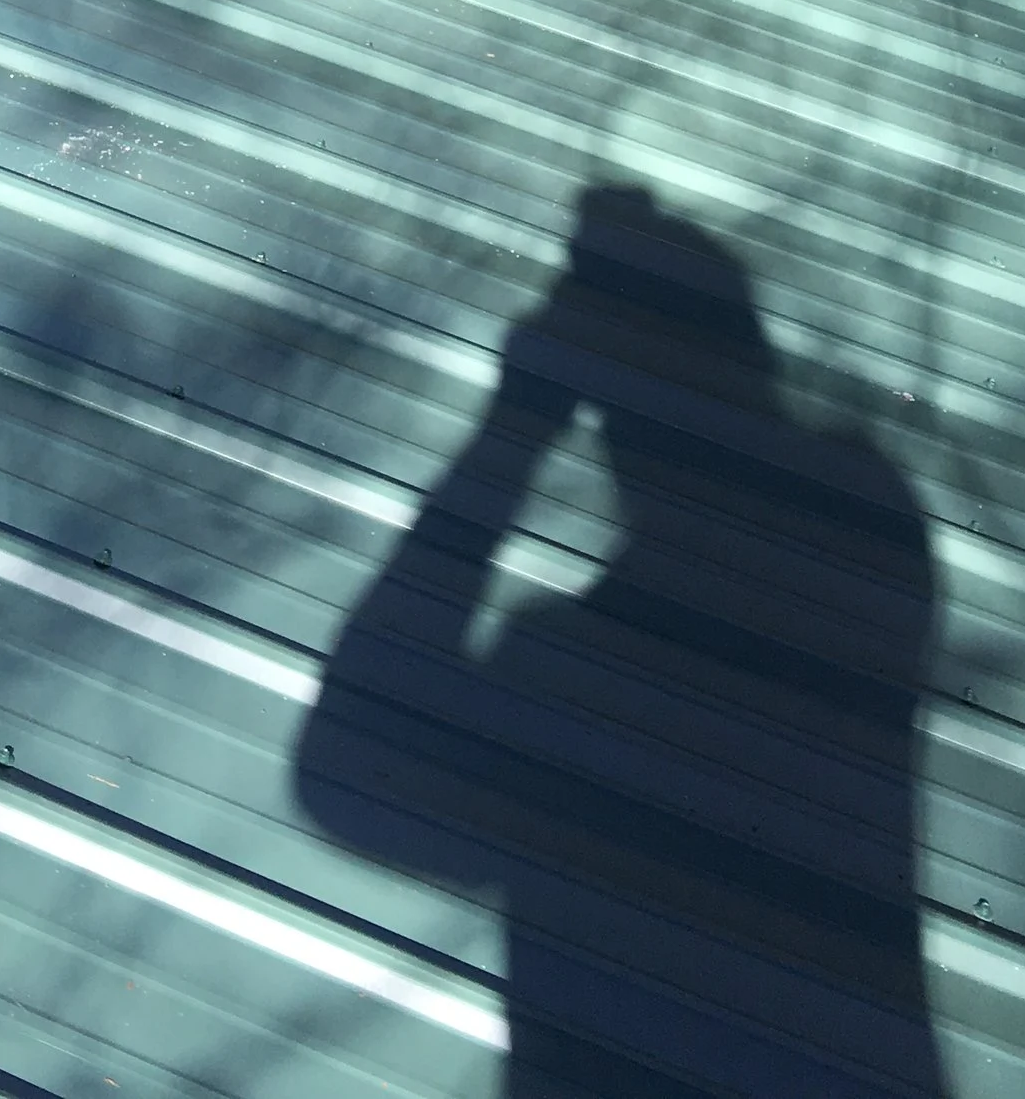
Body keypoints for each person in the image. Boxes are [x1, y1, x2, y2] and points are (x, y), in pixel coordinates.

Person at [296, 185, 945, 1098]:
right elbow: (351, 776)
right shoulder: (586, 663)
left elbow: (353, 773)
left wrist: (516, 426)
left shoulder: (838, 529)